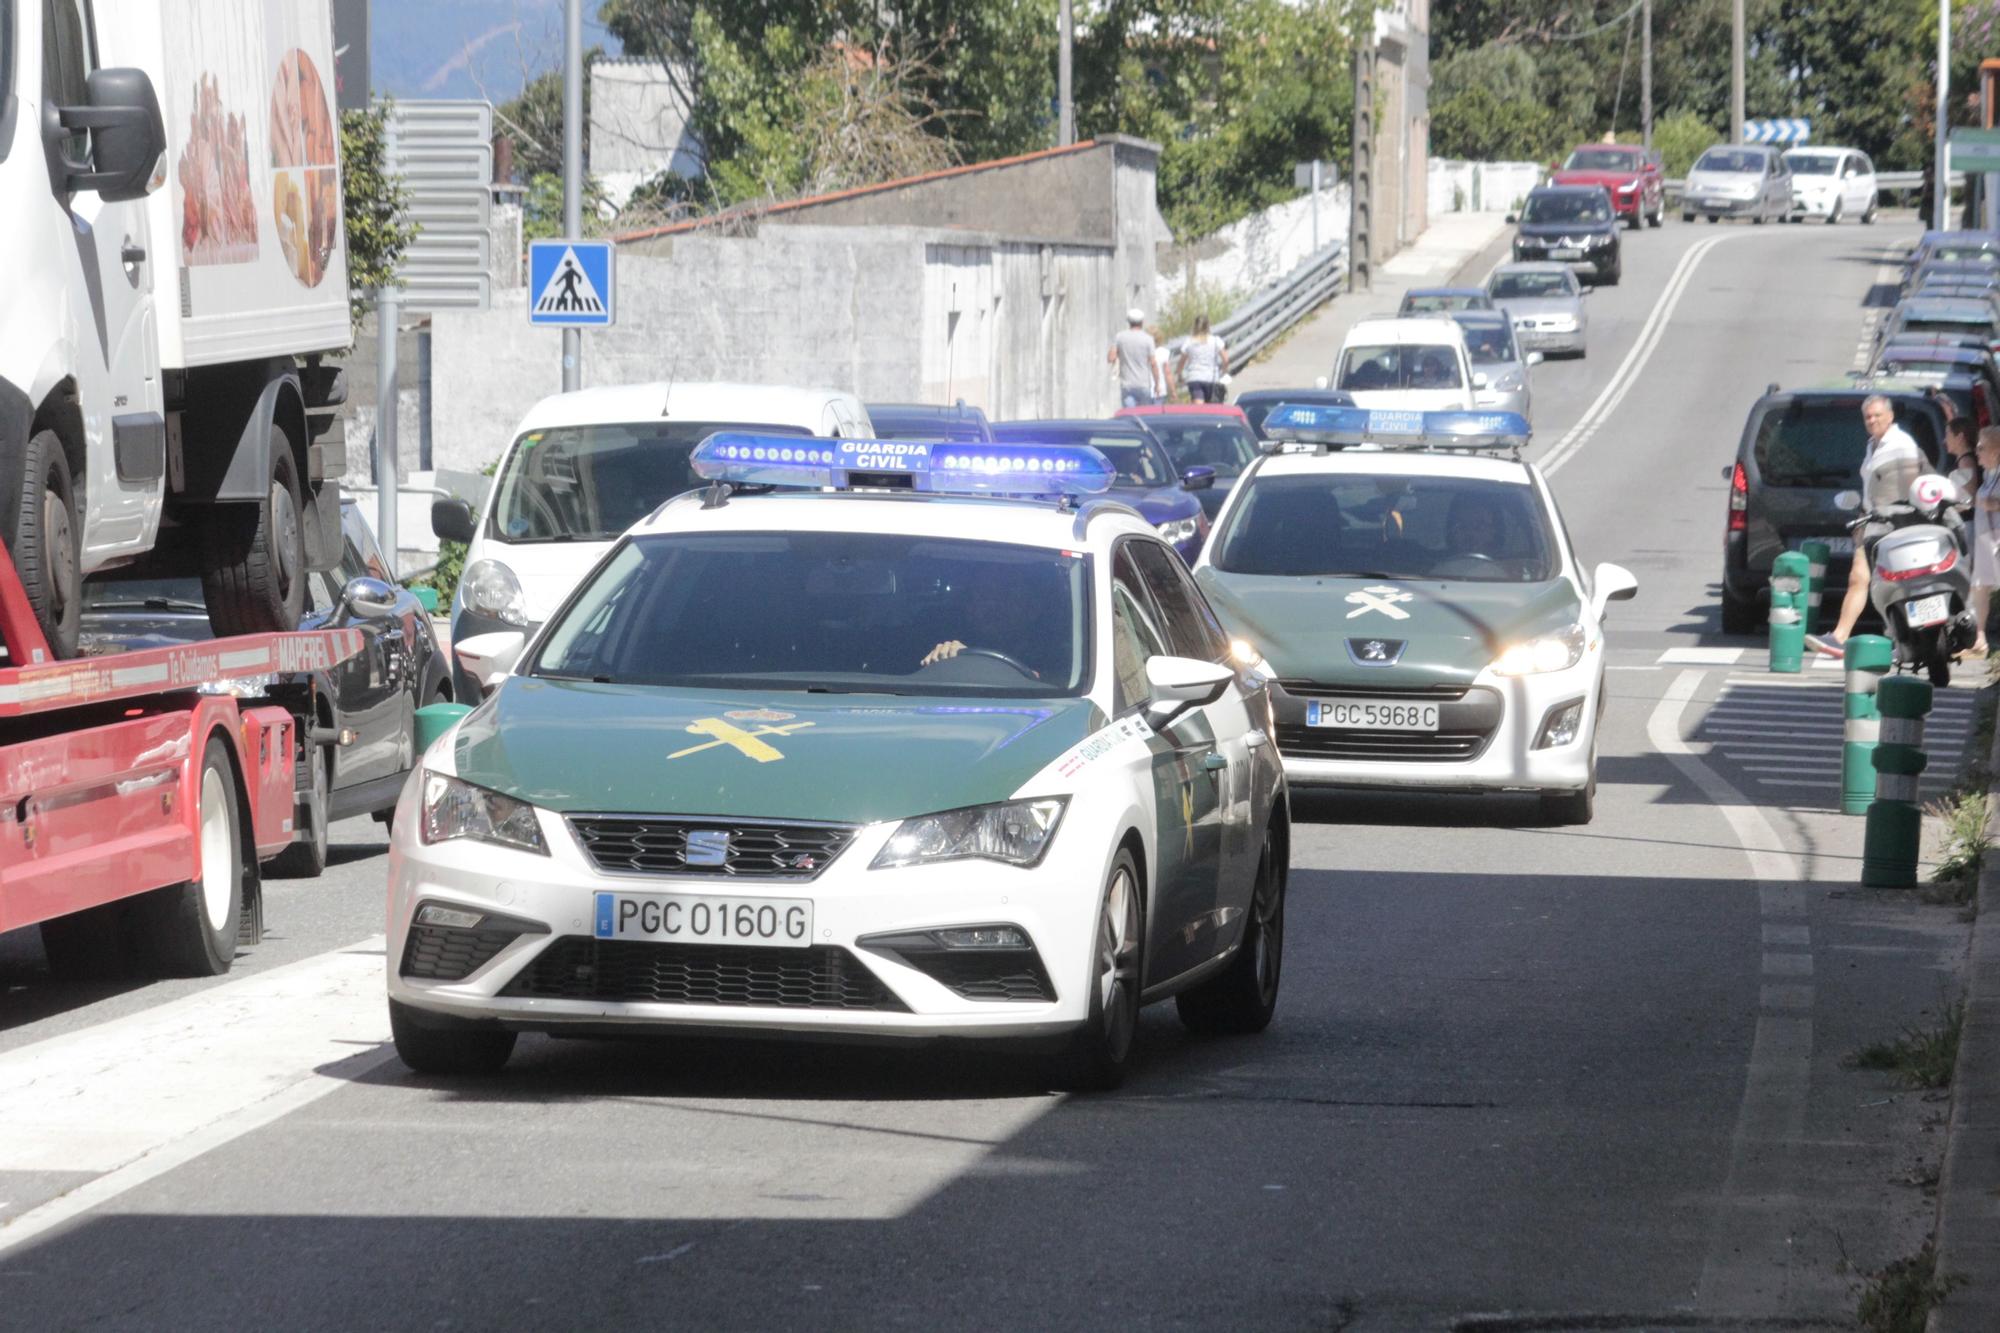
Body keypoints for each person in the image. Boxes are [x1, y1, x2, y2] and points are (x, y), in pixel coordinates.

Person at [1806, 395, 1926, 657]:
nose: (1872, 420)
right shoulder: (1873, 444)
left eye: (1877, 415)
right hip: (1872, 521)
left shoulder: (1901, 444)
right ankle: (1839, 636)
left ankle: (1906, 640)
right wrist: (1864, 515)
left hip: (1894, 524)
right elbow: (1872, 486)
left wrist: (1891, 516)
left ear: (1890, 416)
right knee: (1858, 578)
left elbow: (1907, 485)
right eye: (1867, 417)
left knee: (1895, 584)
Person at [1972, 427, 2000, 655]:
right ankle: (1979, 637)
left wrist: (1995, 505)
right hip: (1985, 539)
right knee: (1980, 586)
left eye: (1981, 447)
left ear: (1996, 451)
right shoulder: (1989, 474)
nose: (1977, 451)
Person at [1108, 309, 1158, 408]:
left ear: (1128, 321)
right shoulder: (1148, 339)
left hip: (1127, 385)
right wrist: (1157, 383)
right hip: (1144, 384)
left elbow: (1111, 358)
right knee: (1145, 416)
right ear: (1142, 322)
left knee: (1130, 416)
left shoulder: (1120, 337)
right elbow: (1153, 363)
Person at [1179, 316, 1230, 403]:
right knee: (1213, 409)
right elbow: (1226, 360)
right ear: (1208, 326)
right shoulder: (1216, 341)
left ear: (1194, 326)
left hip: (1194, 377)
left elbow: (1181, 362)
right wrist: (1223, 372)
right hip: (1212, 379)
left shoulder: (1189, 341)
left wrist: (1180, 375)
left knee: (1199, 410)